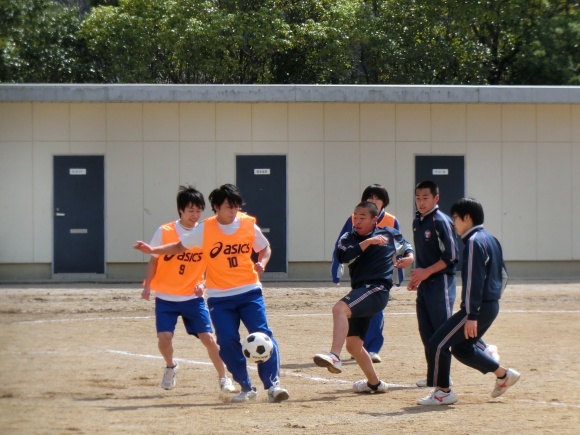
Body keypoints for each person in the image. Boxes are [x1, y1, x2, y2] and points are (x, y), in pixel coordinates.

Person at [134, 184, 289, 404]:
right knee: (226, 341)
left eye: (236, 206)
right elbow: (178, 247)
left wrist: (262, 262)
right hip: (219, 296)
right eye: (228, 207)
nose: (233, 211)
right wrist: (152, 250)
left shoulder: (247, 224)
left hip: (249, 291)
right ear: (216, 207)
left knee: (263, 335)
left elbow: (265, 248)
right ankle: (245, 386)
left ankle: (273, 386)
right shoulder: (205, 229)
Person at [417, 197, 518, 405]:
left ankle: (443, 392)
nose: (453, 223)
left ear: (467, 218)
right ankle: (503, 375)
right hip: (490, 305)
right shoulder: (491, 239)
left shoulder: (473, 242)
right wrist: (492, 300)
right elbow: (504, 275)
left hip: (477, 309)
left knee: (437, 343)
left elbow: (473, 281)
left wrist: (472, 314)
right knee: (461, 349)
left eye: (455, 218)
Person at [140, 184, 235, 394]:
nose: (195, 215)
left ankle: (224, 377)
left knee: (209, 338)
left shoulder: (206, 232)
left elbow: (214, 265)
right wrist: (148, 285)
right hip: (166, 297)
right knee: (164, 338)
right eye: (191, 210)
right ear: (180, 210)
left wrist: (203, 284)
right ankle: (170, 366)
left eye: (199, 210)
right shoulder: (165, 231)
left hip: (193, 297)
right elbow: (153, 260)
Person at [313, 201, 414, 394]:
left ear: (374, 220)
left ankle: (334, 355)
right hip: (360, 292)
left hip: (377, 289)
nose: (357, 221)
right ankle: (375, 383)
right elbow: (344, 256)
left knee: (339, 309)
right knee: (354, 345)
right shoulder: (348, 237)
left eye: (362, 217)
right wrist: (368, 242)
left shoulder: (389, 233)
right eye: (355, 217)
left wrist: (409, 258)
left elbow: (406, 247)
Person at [407, 180, 499, 388]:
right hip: (425, 284)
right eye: (417, 198)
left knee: (443, 332)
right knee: (427, 332)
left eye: (425, 198)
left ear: (436, 198)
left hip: (441, 283)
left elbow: (452, 256)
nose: (420, 202)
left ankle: (483, 350)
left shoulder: (441, 221)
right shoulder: (417, 221)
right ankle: (434, 375)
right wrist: (418, 277)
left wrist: (426, 272)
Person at [330, 184, 403, 364]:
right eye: (370, 198)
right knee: (357, 311)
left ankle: (373, 348)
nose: (373, 201)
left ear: (384, 201)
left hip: (380, 277)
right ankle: (358, 347)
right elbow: (341, 246)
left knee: (377, 313)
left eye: (377, 198)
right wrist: (336, 268)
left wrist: (399, 272)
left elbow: (400, 248)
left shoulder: (392, 221)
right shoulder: (354, 219)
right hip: (360, 274)